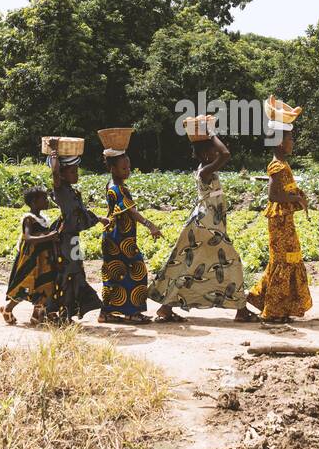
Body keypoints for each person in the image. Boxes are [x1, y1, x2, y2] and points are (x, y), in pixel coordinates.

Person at [150, 125, 259, 323]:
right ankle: (241, 310)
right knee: (232, 262)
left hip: (207, 224)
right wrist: (211, 133)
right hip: (206, 226)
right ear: (203, 154)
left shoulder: (205, 169)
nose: (215, 152)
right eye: (211, 150)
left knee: (190, 266)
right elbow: (226, 154)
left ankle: (165, 308)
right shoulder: (205, 171)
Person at [246, 104, 312, 323]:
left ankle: (270, 304)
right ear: (281, 142)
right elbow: (273, 195)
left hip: (284, 220)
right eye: (290, 139)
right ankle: (274, 310)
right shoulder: (277, 166)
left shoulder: (283, 164)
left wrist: (297, 196)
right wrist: (295, 199)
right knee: (283, 261)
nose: (293, 143)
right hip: (279, 222)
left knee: (286, 260)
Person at [99, 149, 162, 324]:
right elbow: (132, 212)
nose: (128, 171)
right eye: (123, 168)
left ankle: (106, 313)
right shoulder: (118, 189)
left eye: (128, 167)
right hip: (118, 238)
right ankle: (132, 313)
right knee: (137, 271)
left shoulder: (111, 184)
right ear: (112, 168)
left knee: (115, 275)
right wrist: (151, 226)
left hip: (117, 236)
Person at [46, 140, 105, 320]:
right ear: (62, 175)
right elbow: (54, 172)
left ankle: (68, 311)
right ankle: (60, 312)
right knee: (66, 273)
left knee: (76, 271)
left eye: (76, 171)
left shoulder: (72, 192)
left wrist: (100, 219)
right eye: (72, 171)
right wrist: (54, 152)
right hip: (63, 238)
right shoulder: (60, 189)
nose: (76, 174)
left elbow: (81, 214)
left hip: (73, 238)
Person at [0, 185, 60, 326]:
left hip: (44, 260)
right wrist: (49, 237)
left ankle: (36, 315)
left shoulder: (43, 218)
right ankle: (7, 309)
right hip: (31, 260)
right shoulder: (29, 219)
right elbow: (28, 238)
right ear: (34, 202)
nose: (47, 201)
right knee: (25, 286)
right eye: (43, 199)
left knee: (43, 285)